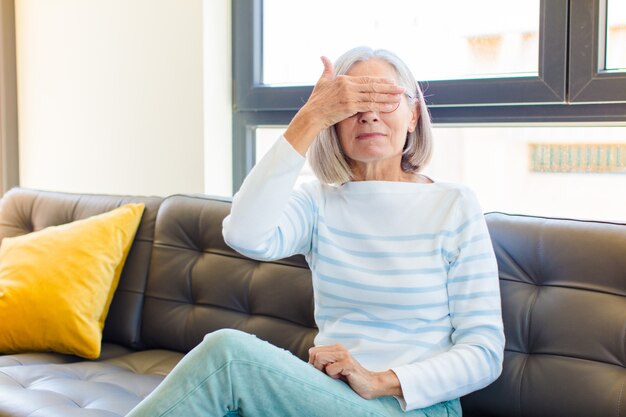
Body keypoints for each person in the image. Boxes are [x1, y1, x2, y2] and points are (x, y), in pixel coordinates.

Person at [127, 46, 504, 417]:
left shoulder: (453, 204)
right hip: (326, 396)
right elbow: (244, 233)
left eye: (386, 98)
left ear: (413, 115)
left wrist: (381, 380)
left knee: (227, 357)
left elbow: (484, 353)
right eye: (353, 102)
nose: (369, 115)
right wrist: (309, 117)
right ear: (333, 121)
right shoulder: (317, 203)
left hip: (414, 407)